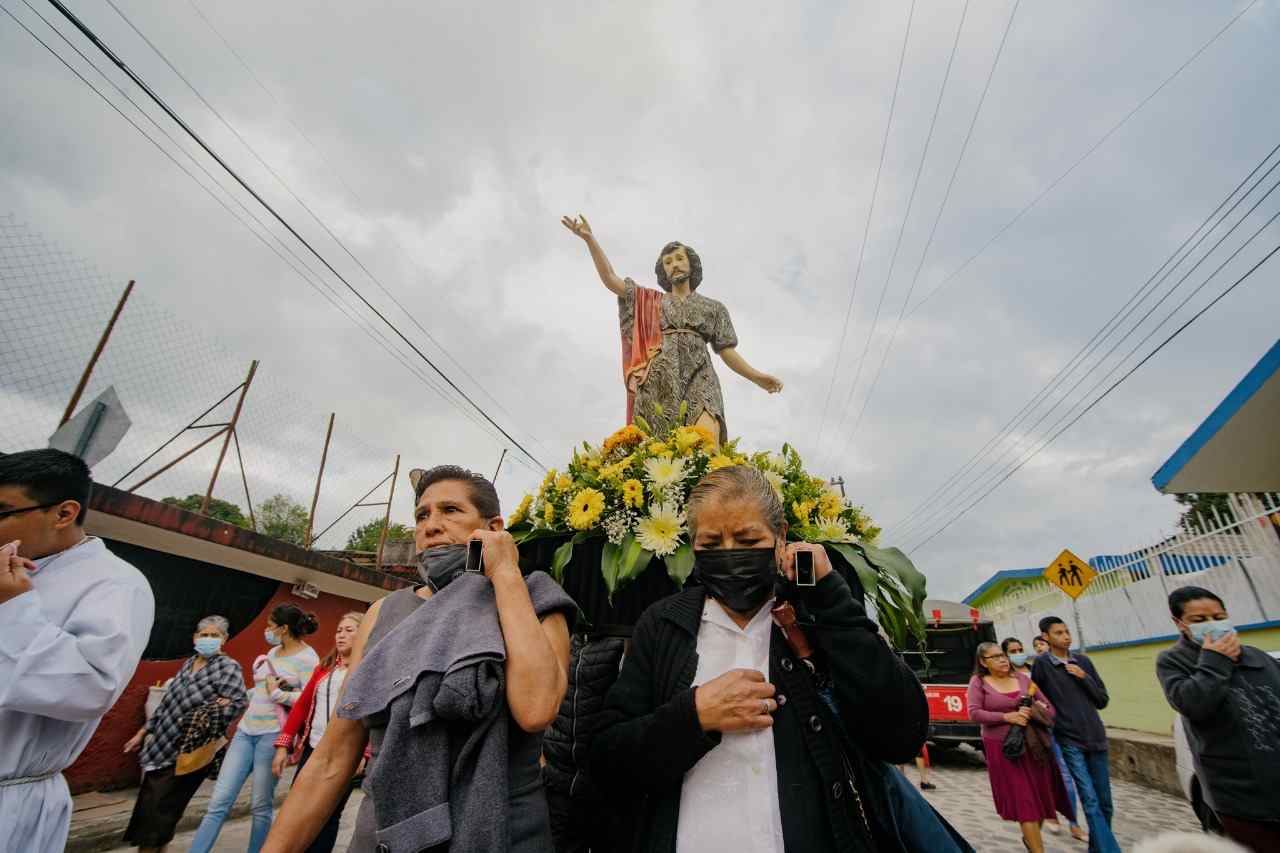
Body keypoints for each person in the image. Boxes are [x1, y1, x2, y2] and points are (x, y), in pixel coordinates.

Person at [590, 465, 930, 852]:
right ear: (691, 544)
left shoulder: (813, 616)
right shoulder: (664, 624)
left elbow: (902, 735)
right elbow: (607, 759)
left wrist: (831, 600)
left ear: (780, 535)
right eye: (712, 543)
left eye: (748, 540)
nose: (730, 554)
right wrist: (693, 716)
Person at [263, 465, 576, 853]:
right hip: (386, 835)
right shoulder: (385, 612)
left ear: (493, 528)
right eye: (422, 515)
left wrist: (506, 572)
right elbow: (332, 757)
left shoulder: (537, 601)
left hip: (503, 834)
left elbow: (536, 708)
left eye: (450, 511)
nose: (431, 525)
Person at [0, 448, 155, 852]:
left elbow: (89, 688)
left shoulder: (114, 583)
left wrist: (15, 608)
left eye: (2, 512)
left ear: (64, 513)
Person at [562, 214, 783, 443]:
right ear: (663, 271)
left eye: (679, 258)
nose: (674, 264)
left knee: (706, 443)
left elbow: (726, 351)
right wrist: (590, 240)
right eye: (668, 262)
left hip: (701, 377)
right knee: (657, 452)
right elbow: (610, 278)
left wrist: (756, 377)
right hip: (659, 382)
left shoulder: (713, 308)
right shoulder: (650, 300)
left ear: (691, 263)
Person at [1156, 586, 1280, 852]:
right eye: (1199, 621)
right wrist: (1215, 660)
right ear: (1179, 624)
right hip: (1242, 796)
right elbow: (1193, 703)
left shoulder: (1258, 657)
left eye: (1219, 616)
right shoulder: (1173, 661)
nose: (1212, 624)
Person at [190, 604, 320, 853]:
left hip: (272, 736)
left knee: (260, 805)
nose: (267, 631)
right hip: (245, 731)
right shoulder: (271, 654)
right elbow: (260, 691)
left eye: (271, 626)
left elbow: (308, 700)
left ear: (283, 629)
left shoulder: (307, 658)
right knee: (219, 801)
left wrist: (279, 694)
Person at [121, 615, 249, 852]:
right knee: (153, 810)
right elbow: (167, 702)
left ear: (224, 639)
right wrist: (143, 732)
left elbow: (238, 702)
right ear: (195, 637)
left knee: (161, 810)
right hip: (161, 745)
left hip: (190, 750)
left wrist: (214, 709)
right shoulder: (189, 663)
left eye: (215, 635)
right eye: (204, 635)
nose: (208, 639)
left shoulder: (227, 667)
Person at [271, 611, 364, 853]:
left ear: (364, 634)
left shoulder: (367, 671)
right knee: (296, 810)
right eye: (339, 630)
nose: (341, 635)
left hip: (343, 756)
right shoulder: (324, 668)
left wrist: (364, 754)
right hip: (313, 750)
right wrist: (283, 744)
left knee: (327, 816)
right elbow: (301, 706)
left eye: (349, 630)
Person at [1031, 616, 1120, 853]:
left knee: (1105, 803)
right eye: (1059, 633)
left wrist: (1084, 677)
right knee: (1089, 800)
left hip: (1096, 736)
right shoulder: (1042, 665)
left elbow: (1102, 700)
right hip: (1068, 738)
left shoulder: (1083, 662)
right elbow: (1034, 697)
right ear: (1046, 637)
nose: (1066, 636)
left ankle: (1098, 848)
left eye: (1067, 631)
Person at [1003, 636, 1086, 843]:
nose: (1017, 654)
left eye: (1020, 649)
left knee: (1065, 776)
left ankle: (1074, 822)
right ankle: (1049, 816)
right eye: (1012, 651)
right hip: (1028, 737)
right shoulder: (1007, 678)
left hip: (1047, 729)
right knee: (1042, 779)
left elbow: (1046, 700)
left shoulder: (1034, 671)